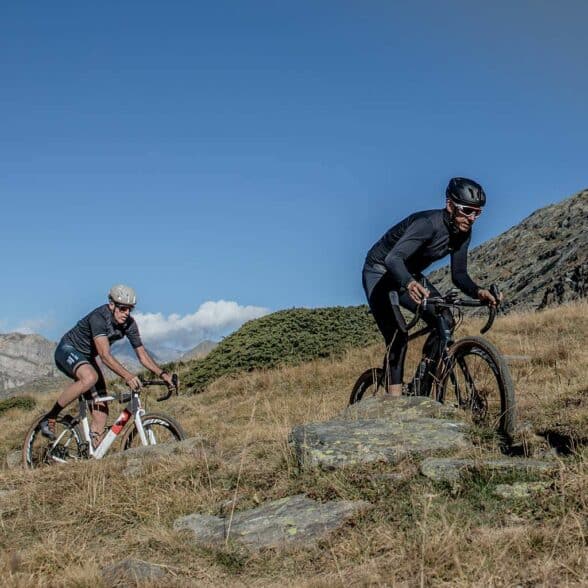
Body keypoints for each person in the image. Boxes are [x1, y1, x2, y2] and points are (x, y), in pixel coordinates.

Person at [362, 177, 500, 396]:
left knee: (445, 319)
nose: (472, 218)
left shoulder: (463, 232)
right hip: (380, 272)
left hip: (408, 275)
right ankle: (394, 406)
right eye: (466, 210)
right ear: (450, 205)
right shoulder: (428, 224)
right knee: (398, 336)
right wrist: (409, 282)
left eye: (477, 212)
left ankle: (421, 386)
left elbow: (459, 274)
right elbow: (393, 259)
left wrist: (478, 291)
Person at [39, 285, 174, 445]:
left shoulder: (130, 324)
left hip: (87, 358)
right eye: (123, 308)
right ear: (112, 305)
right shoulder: (99, 318)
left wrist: (163, 374)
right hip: (67, 350)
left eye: (130, 309)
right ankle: (50, 417)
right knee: (90, 377)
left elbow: (142, 355)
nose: (127, 313)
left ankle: (94, 458)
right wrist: (128, 376)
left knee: (101, 412)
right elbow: (104, 355)